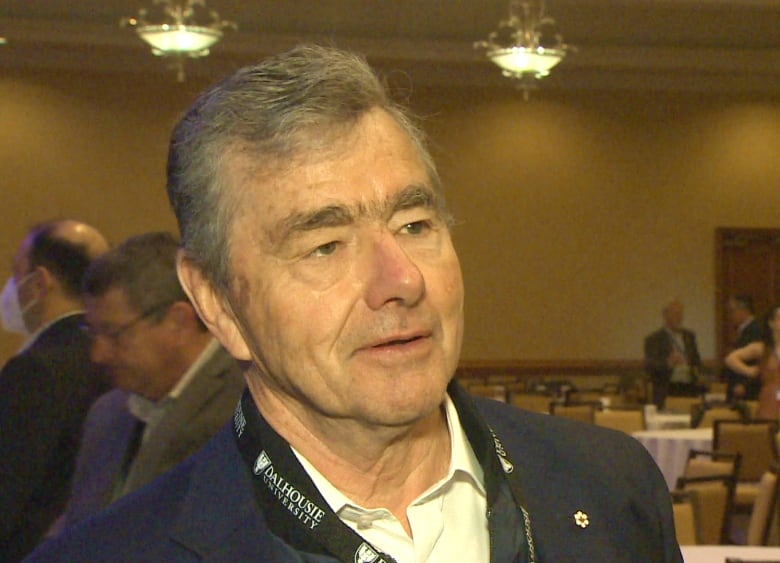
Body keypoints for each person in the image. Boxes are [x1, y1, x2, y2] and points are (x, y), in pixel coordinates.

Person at [27, 45, 682, 562]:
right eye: (326, 245)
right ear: (217, 301)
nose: (400, 280)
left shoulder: (613, 486)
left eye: (415, 225)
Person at [54, 231, 244, 532]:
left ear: (179, 322)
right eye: (93, 332)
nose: (98, 354)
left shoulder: (247, 408)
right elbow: (75, 528)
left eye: (113, 333)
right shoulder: (108, 412)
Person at [0, 219, 110, 562]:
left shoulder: (37, 367)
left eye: (16, 272)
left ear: (39, 283)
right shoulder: (107, 352)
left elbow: (10, 488)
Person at [725, 303, 780, 420]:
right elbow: (731, 359)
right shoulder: (762, 348)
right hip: (770, 397)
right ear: (771, 323)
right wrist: (750, 371)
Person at [644, 299, 703, 409]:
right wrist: (668, 363)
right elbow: (650, 366)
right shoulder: (654, 339)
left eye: (681, 314)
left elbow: (697, 361)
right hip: (667, 388)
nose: (679, 317)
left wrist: (689, 362)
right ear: (665, 315)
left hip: (689, 388)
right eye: (675, 314)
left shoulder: (689, 336)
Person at [724, 295, 762, 401]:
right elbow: (730, 359)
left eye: (732, 311)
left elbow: (758, 362)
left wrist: (745, 384)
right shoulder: (742, 330)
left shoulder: (755, 329)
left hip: (746, 389)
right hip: (738, 385)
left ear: (743, 310)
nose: (730, 315)